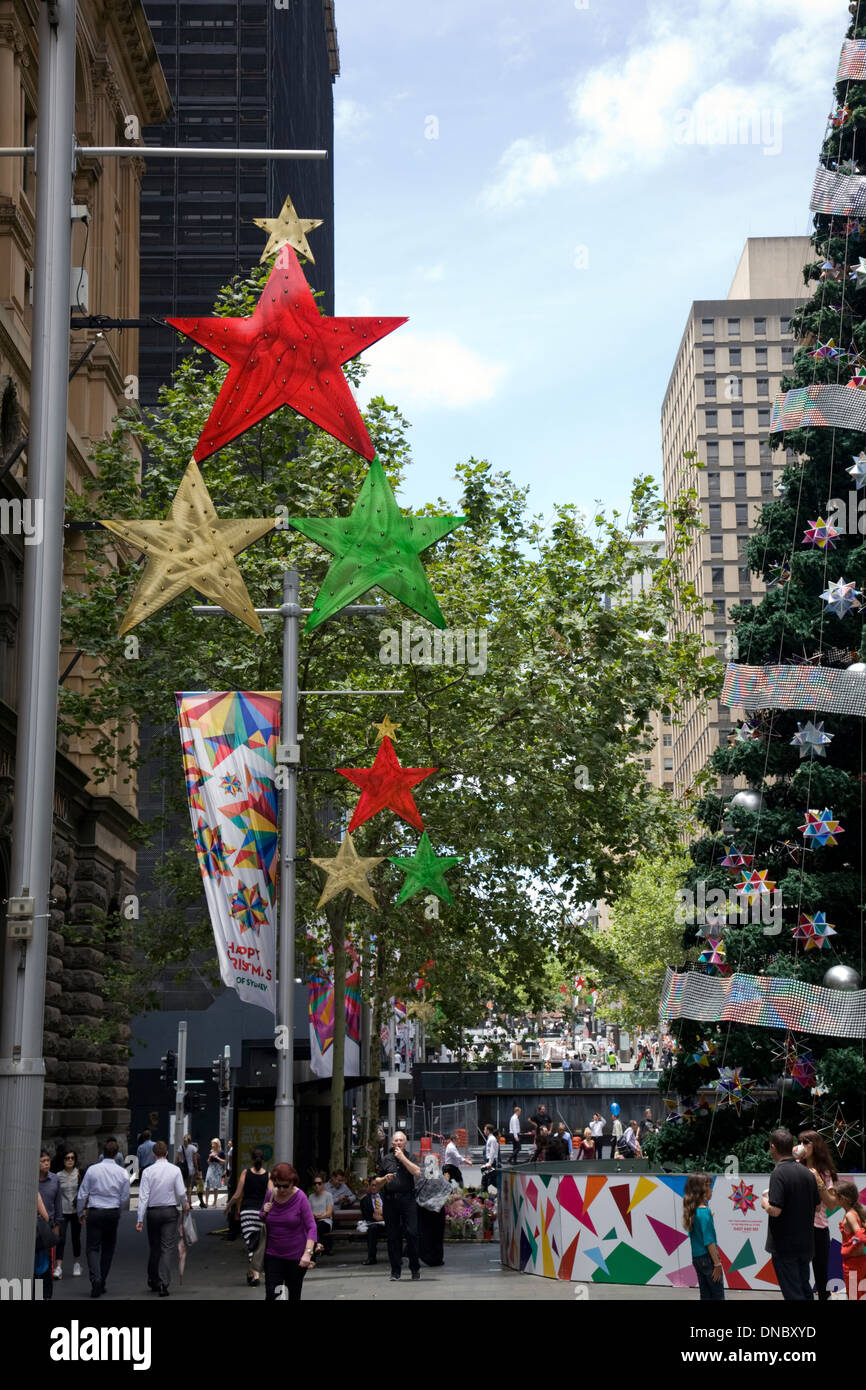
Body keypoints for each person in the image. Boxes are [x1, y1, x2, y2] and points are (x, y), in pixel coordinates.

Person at [760, 1128, 819, 1301]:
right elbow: (817, 1206)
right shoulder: (807, 1173)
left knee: (793, 1293)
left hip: (785, 1246)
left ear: (773, 1147)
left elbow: (775, 1210)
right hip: (806, 1243)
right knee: (804, 1288)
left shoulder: (779, 1173)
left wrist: (765, 1202)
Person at [77, 1138, 131, 1298]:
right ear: (117, 1155)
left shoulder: (93, 1170)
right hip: (112, 1210)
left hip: (95, 1210)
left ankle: (96, 1278)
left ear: (103, 1152)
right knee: (108, 1247)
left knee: (92, 1248)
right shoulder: (122, 1173)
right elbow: (125, 1197)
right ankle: (103, 1280)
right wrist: (118, 1211)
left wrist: (80, 1212)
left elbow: (83, 1193)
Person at [136, 1139, 188, 1296]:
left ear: (153, 1155)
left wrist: (139, 1218)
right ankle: (164, 1283)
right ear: (166, 1153)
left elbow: (143, 1196)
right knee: (167, 1247)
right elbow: (181, 1192)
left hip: (153, 1212)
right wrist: (185, 1203)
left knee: (154, 1246)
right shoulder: (174, 1170)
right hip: (170, 1212)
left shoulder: (148, 1172)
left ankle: (153, 1278)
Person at [259, 1162, 316, 1301]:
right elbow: (263, 1219)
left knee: (293, 1294)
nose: (281, 1189)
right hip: (272, 1254)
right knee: (272, 1294)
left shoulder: (300, 1197)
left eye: (285, 1186)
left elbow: (311, 1227)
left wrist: (307, 1254)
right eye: (278, 1185)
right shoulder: (271, 1194)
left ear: (292, 1182)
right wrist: (263, 1212)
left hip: (295, 1257)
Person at [371, 1130, 422, 1281]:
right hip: (390, 1200)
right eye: (396, 1141)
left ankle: (415, 1268)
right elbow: (376, 1182)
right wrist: (383, 1179)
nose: (398, 1143)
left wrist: (402, 1158)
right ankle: (395, 1271)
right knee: (393, 1236)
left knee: (412, 1234)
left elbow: (417, 1172)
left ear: (405, 1143)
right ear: (392, 1143)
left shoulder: (410, 1157)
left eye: (401, 1140)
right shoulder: (386, 1159)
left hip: (408, 1199)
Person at [794, 1130, 836, 1301]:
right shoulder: (794, 1166)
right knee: (798, 1274)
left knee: (821, 1275)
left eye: (806, 1142)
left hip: (818, 1228)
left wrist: (818, 1180)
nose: (802, 1146)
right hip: (797, 1227)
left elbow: (832, 1204)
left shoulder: (824, 1171)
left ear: (816, 1145)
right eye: (800, 1142)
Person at [228, 1150, 271, 1285]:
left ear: (252, 1159)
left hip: (247, 1212)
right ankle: (251, 1272)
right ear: (263, 1159)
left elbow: (237, 1194)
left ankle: (255, 1275)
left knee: (250, 1244)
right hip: (260, 1213)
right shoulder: (268, 1175)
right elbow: (271, 1193)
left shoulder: (245, 1173)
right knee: (257, 1244)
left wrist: (228, 1206)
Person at [682, 1173, 724, 1301]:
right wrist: (717, 1263)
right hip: (708, 1260)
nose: (712, 1190)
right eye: (709, 1187)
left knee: (705, 1295)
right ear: (702, 1190)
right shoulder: (705, 1212)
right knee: (717, 1295)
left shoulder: (692, 1211)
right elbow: (709, 1241)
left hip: (697, 1259)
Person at [833, 1178, 866, 1300]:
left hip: (853, 1264)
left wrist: (848, 1247)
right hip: (860, 1262)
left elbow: (861, 1235)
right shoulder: (855, 1212)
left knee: (853, 1296)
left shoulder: (850, 1215)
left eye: (835, 1196)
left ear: (843, 1198)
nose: (833, 1199)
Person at [53, 1148, 83, 1281]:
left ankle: (76, 1264)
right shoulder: (58, 1176)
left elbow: (84, 1191)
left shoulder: (79, 1173)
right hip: (63, 1211)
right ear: (63, 1160)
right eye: (67, 1158)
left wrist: (84, 1210)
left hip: (76, 1211)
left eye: (72, 1158)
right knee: (61, 1238)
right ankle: (58, 1267)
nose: (70, 1160)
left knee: (76, 1238)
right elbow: (55, 1194)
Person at [37, 1150, 62, 1298]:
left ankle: (46, 1294)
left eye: (48, 1160)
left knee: (48, 1263)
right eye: (43, 1161)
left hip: (48, 1225)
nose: (47, 1163)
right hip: (34, 1226)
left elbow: (58, 1203)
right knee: (36, 1262)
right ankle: (37, 1293)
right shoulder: (31, 1181)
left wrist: (58, 1225)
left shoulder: (55, 1179)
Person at [359, 1178, 385, 1265]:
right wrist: (376, 1218)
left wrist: (382, 1216)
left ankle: (397, 1257)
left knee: (397, 1227)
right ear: (369, 1186)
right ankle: (371, 1258)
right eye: (372, 1185)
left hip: (387, 1222)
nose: (374, 1187)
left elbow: (392, 1211)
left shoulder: (386, 1197)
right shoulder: (364, 1200)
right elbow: (367, 1216)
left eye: (376, 1185)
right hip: (374, 1223)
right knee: (372, 1229)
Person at [308, 1175, 334, 1255]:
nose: (317, 1185)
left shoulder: (328, 1195)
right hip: (314, 1221)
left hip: (325, 1221)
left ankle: (317, 1247)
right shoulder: (311, 1196)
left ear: (323, 1184)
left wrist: (319, 1216)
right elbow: (308, 1212)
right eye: (315, 1183)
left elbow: (329, 1212)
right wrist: (313, 1216)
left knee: (317, 1227)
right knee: (311, 1227)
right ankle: (318, 1247)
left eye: (319, 1183)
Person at [175, 1133, 200, 1205]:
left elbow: (178, 1159)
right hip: (190, 1170)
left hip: (182, 1170)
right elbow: (195, 1161)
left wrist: (174, 1166)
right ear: (190, 1140)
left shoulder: (180, 1147)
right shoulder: (193, 1148)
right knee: (189, 1186)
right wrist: (196, 1170)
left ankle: (181, 1201)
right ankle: (188, 1201)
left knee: (181, 1185)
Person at [202, 1138, 226, 1207]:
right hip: (211, 1168)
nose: (212, 1145)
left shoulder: (221, 1152)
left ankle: (215, 1202)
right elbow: (208, 1162)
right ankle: (206, 1202)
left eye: (214, 1144)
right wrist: (210, 1157)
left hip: (217, 1168)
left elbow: (224, 1161)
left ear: (217, 1144)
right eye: (212, 1144)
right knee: (207, 1185)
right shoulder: (211, 1151)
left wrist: (216, 1157)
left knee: (215, 1186)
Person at [481, 1123, 501, 1191]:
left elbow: (492, 1152)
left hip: (491, 1162)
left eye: (485, 1129)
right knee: (489, 1180)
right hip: (490, 1162)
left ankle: (483, 1196)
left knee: (485, 1180)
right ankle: (484, 1195)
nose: (484, 1131)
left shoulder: (492, 1139)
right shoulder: (490, 1138)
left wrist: (489, 1163)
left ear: (488, 1131)